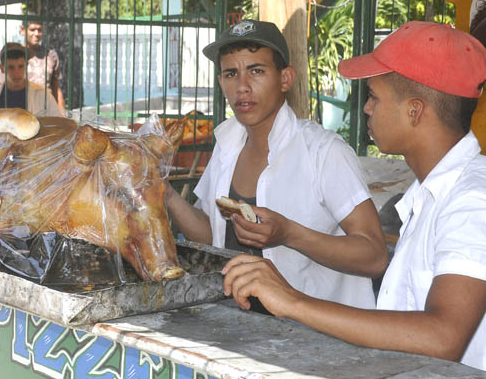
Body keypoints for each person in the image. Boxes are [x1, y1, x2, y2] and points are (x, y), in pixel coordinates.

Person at [223, 21, 486, 371]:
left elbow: (443, 337)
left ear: (415, 110)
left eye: (375, 96)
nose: (366, 108)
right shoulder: (431, 194)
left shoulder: (472, 200)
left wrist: (292, 301)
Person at [165, 20, 387, 311]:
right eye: (231, 74)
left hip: (315, 338)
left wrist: (289, 234)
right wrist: (165, 193)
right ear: (221, 82)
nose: (242, 87)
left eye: (256, 71)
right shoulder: (227, 144)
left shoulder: (322, 152)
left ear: (285, 79)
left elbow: (374, 255)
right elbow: (213, 235)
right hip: (237, 324)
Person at [0, 42, 62, 117]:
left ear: (26, 65)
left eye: (20, 66)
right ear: (2, 68)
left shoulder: (44, 96)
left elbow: (57, 123)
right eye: (11, 67)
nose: (17, 73)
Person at [21, 21, 65, 115]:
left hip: (47, 110)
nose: (36, 34)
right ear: (23, 30)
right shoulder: (16, 55)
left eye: (39, 30)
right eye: (32, 30)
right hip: (23, 111)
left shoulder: (50, 55)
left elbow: (56, 88)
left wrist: (62, 115)